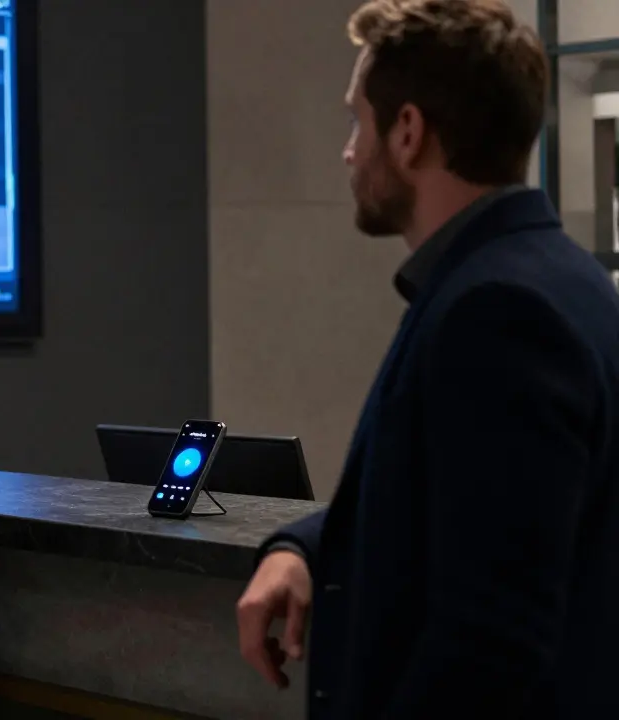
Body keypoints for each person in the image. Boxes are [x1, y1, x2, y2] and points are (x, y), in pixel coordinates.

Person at [235, 1, 619, 718]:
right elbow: (463, 511)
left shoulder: (501, 312)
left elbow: (489, 641)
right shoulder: (553, 277)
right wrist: (303, 549)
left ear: (408, 132)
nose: (349, 150)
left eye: (358, 120)